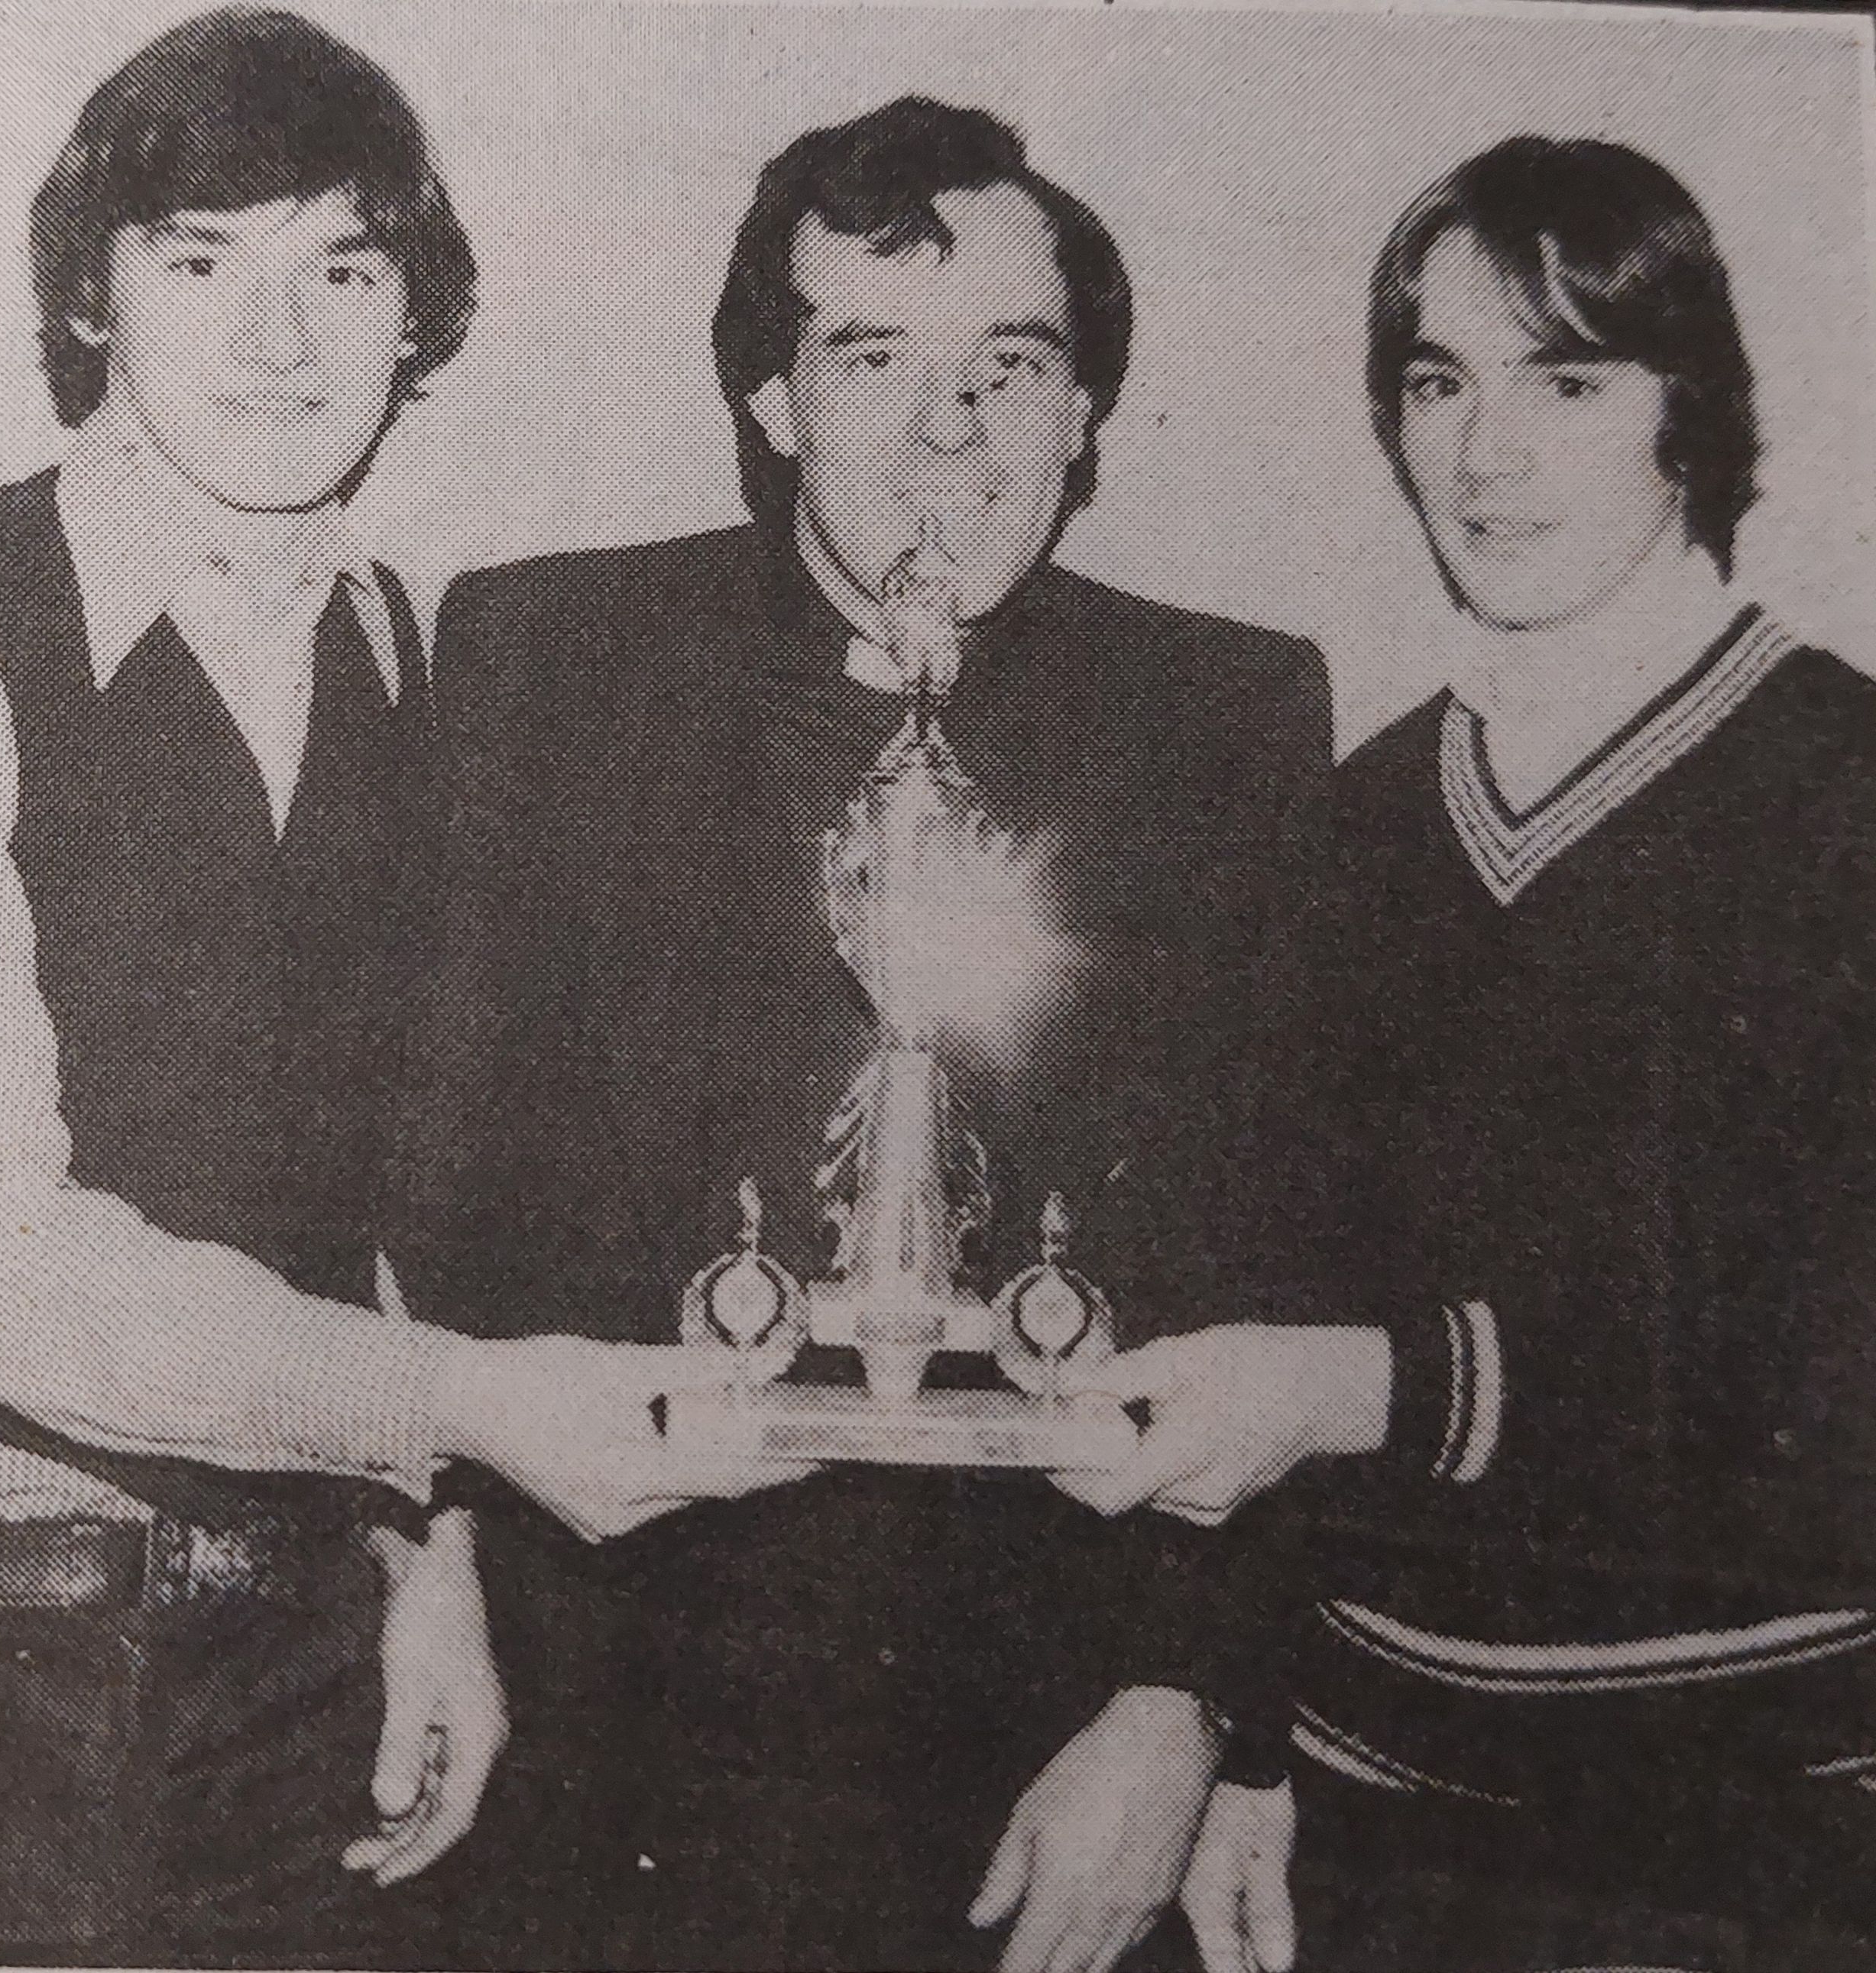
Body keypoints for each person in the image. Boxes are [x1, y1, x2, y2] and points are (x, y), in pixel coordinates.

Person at [405, 95, 1332, 1970]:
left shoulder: (1226, 716)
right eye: (872, 358)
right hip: (600, 1743)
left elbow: (1293, 1247)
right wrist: (421, 1567)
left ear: (1084, 413)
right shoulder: (539, 666)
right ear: (772, 400)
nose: (947, 432)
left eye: (1011, 365)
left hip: (1054, 1746)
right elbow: (421, 1204)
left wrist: (1188, 1705)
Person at [0, 13, 790, 1961]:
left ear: (416, 315)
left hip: (314, 1668)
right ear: (88, 296)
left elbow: (379, 1183)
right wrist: (466, 1409)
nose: (277, 341)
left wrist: (433, 1558)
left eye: (340, 269)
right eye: (200, 262)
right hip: (4, 1666)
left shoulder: (386, 630)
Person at [1034, 135, 1876, 1971]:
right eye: (1438, 384)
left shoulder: (1842, 789)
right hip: (1366, 1828)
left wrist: (1366, 1389)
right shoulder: (1355, 818)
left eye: (1563, 383)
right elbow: (1275, 1284)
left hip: (1756, 1837)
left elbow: (1819, 1371)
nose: (1485, 456)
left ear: (1687, 413)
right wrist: (1247, 1743)